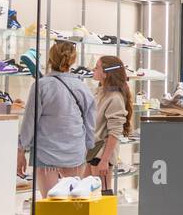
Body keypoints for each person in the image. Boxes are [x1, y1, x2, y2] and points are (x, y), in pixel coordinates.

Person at [17, 40, 95, 198]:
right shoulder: (83, 87)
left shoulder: (42, 85)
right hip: (75, 152)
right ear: (72, 60)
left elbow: (30, 122)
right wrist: (87, 147)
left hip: (46, 153)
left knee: (50, 203)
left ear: (50, 59)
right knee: (72, 204)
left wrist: (21, 149)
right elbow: (90, 125)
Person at [88, 55, 133, 195]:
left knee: (102, 196)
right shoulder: (101, 93)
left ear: (106, 73)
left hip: (100, 154)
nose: (93, 70)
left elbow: (114, 132)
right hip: (92, 151)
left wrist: (105, 160)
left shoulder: (114, 98)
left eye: (97, 67)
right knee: (91, 195)